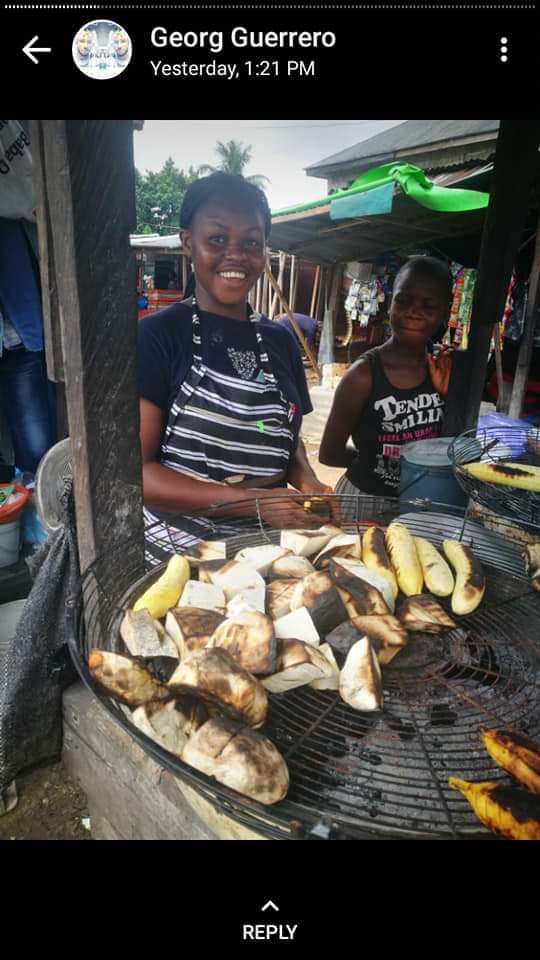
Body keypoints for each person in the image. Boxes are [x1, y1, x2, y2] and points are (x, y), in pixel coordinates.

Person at [138, 173, 333, 564]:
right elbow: (138, 474)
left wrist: (305, 479)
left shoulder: (279, 340)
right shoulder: (157, 336)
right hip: (179, 553)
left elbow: (284, 434)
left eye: (251, 242)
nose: (236, 255)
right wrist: (251, 503)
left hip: (269, 553)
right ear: (188, 242)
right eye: (217, 239)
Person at [319, 256, 453, 504]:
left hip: (427, 501)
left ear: (445, 311)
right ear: (390, 304)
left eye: (429, 306)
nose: (414, 312)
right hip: (366, 500)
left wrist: (448, 395)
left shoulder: (446, 369)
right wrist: (374, 464)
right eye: (404, 301)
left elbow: (456, 446)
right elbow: (329, 454)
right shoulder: (362, 376)